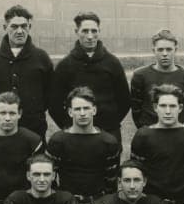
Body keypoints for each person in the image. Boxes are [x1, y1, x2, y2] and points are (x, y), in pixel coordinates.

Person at [48, 11, 130, 142]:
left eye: (94, 31)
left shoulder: (112, 63)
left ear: (99, 31)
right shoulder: (65, 65)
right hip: (75, 134)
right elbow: (54, 104)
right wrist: (70, 126)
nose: (90, 36)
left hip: (109, 133)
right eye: (85, 31)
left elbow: (124, 100)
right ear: (76, 31)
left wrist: (110, 123)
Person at [128, 84, 184, 204]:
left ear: (180, 108)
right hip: (152, 203)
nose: (167, 111)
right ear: (155, 107)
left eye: (172, 106)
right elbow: (136, 171)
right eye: (163, 106)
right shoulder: (143, 136)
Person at [0, 5, 53, 140]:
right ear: (5, 27)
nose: (20, 31)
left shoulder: (42, 58)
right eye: (14, 26)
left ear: (29, 27)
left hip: (34, 129)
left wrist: (33, 112)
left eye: (24, 26)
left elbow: (49, 93)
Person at [44, 87, 121, 204]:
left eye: (86, 108)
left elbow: (111, 184)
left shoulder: (108, 142)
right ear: (70, 112)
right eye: (77, 109)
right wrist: (60, 200)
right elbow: (49, 178)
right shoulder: (58, 141)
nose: (82, 113)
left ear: (94, 110)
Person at [129, 29, 184, 129]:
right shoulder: (140, 76)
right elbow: (136, 111)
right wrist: (145, 131)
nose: (165, 54)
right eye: (160, 50)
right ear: (154, 50)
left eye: (169, 49)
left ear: (175, 50)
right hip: (150, 133)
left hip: (178, 133)